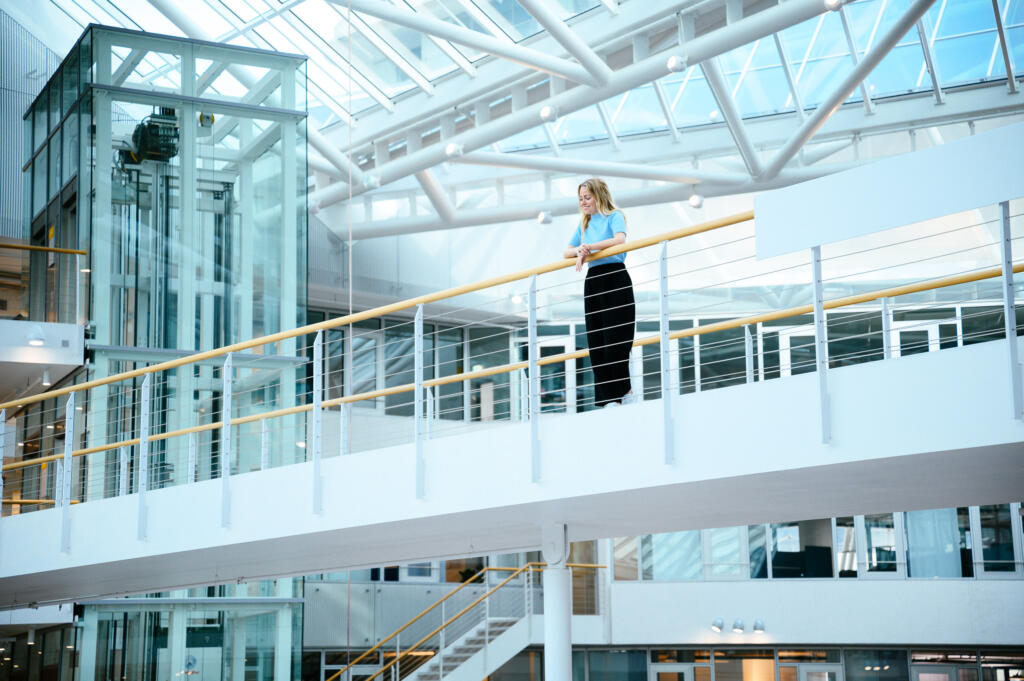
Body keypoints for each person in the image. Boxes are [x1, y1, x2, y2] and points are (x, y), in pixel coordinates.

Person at [563, 178, 636, 407]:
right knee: (597, 340)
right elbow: (566, 252)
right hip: (593, 281)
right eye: (581, 199)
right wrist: (579, 249)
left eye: (587, 197)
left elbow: (620, 239)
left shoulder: (615, 215)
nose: (584, 202)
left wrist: (589, 248)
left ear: (599, 196)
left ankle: (624, 392)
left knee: (617, 337)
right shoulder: (584, 223)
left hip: (615, 276)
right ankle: (607, 399)